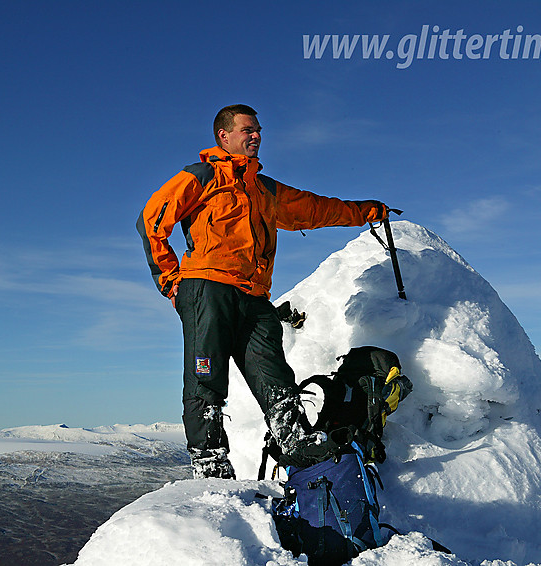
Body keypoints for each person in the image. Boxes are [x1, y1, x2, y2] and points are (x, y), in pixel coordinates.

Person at [137, 104, 388, 479]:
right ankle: (210, 462)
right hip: (207, 287)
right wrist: (171, 280)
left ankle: (294, 439)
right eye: (246, 130)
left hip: (254, 294)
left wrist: (365, 210)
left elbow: (314, 209)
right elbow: (151, 220)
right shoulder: (200, 176)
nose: (255, 136)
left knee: (273, 372)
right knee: (206, 378)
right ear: (224, 136)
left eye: (258, 130)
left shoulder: (264, 188)